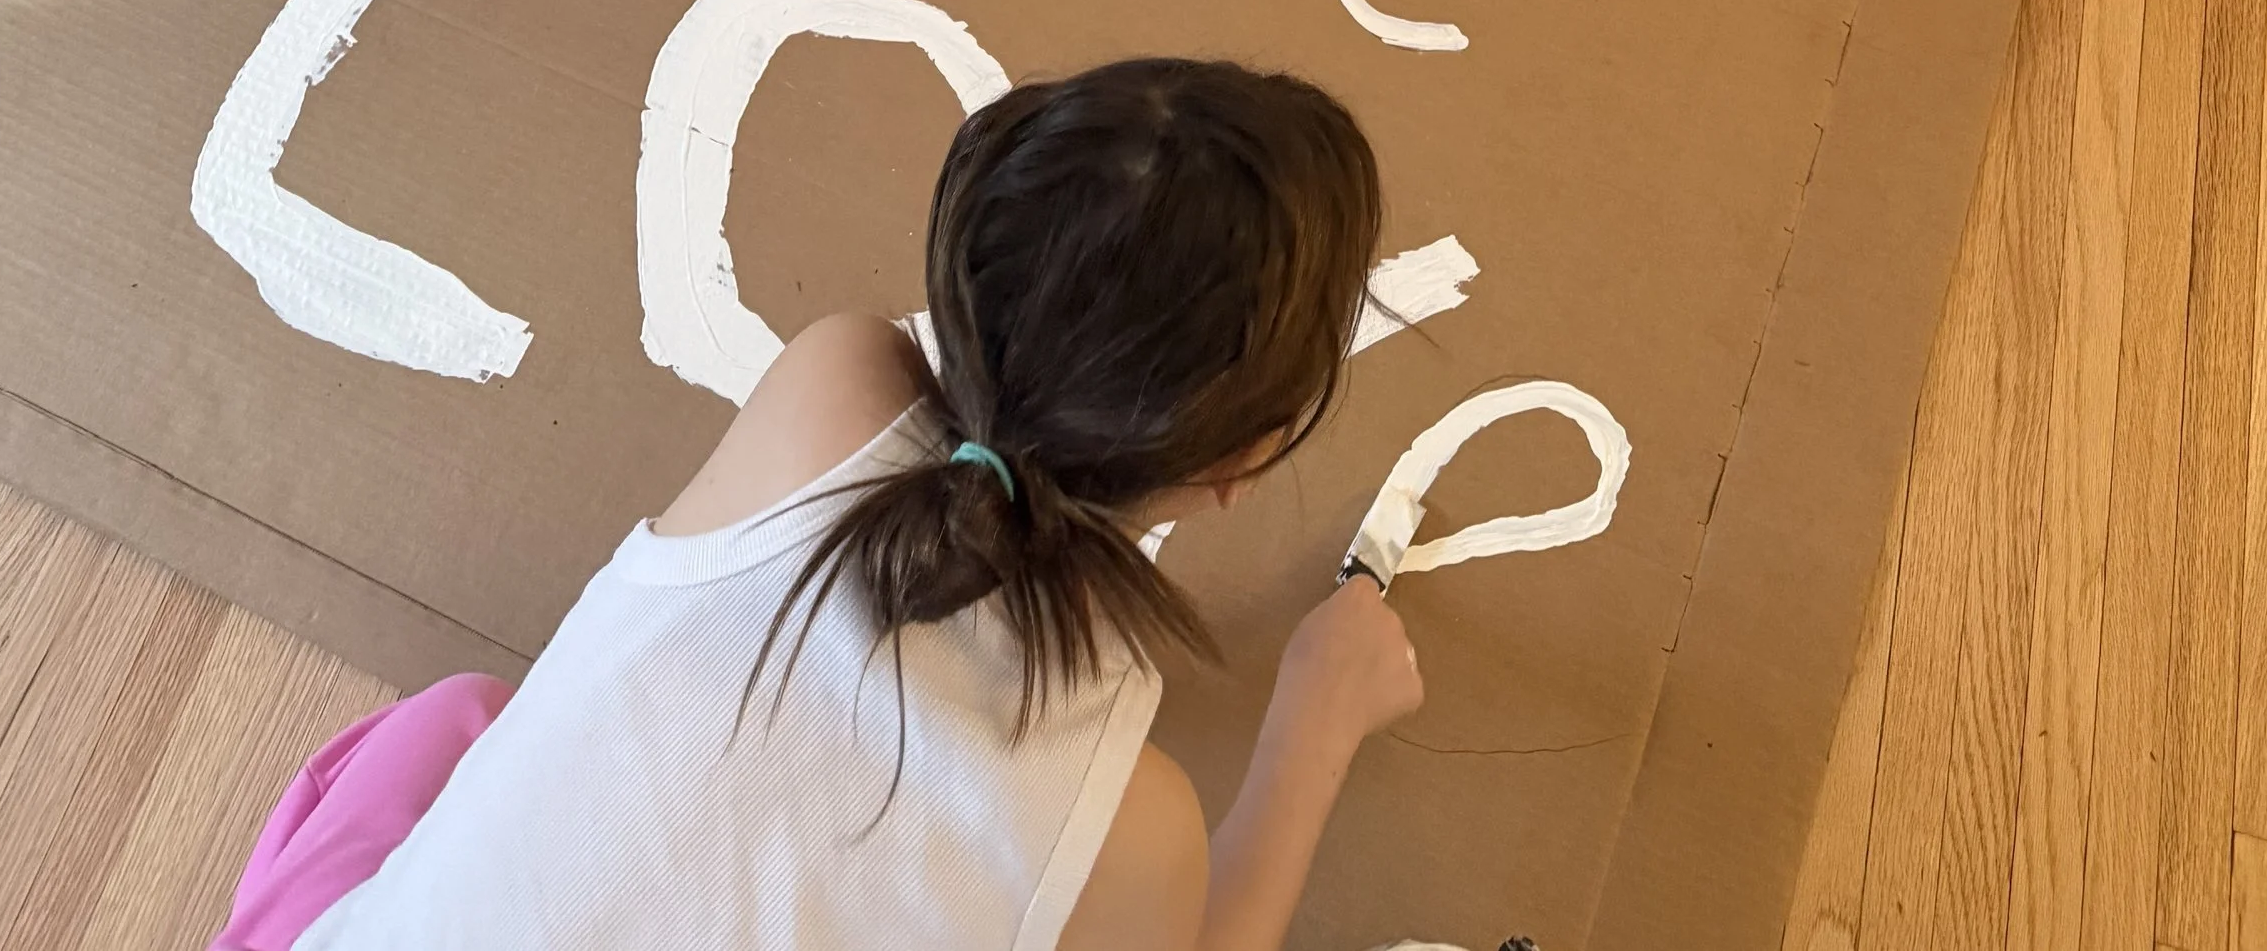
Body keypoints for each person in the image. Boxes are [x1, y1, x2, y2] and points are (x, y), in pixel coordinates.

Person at [219, 57, 1426, 951]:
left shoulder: (828, 376)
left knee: (463, 718)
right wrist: (1311, 727)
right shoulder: (1128, 830)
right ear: (1243, 463)